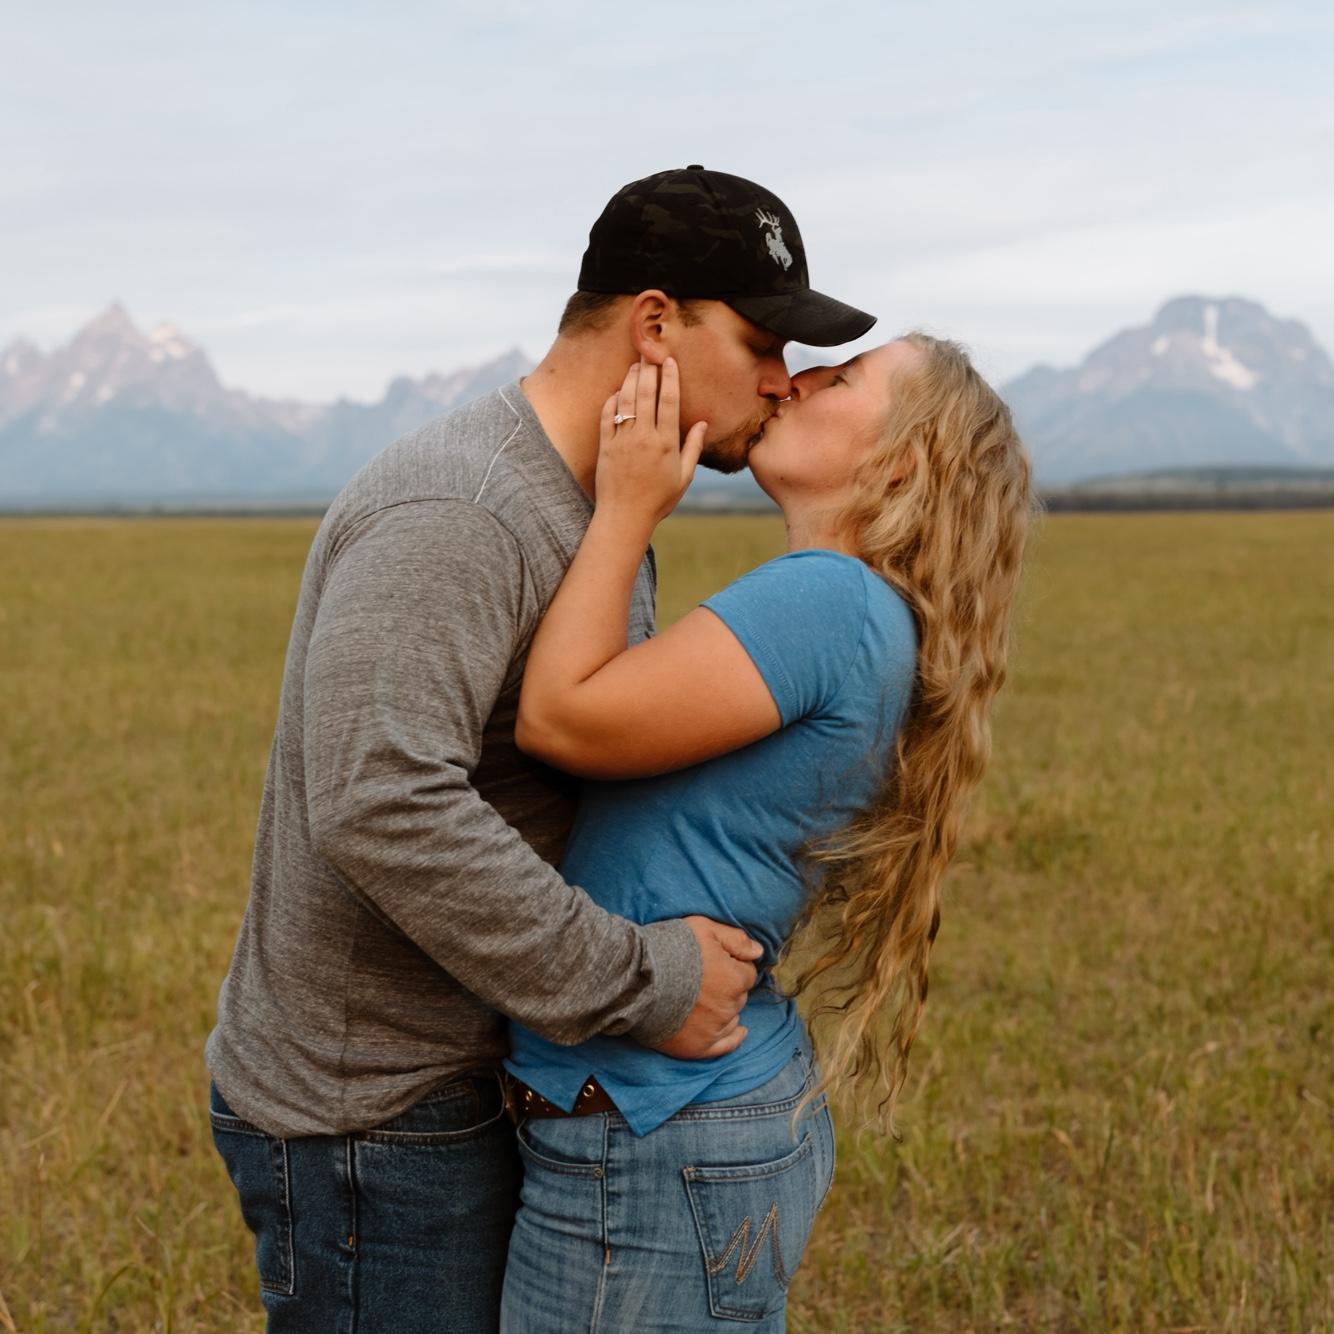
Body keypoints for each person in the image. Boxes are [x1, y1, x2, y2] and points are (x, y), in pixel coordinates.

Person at [205, 165, 876, 1331]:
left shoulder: (597, 497)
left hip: (457, 1077)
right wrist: (644, 979)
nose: (782, 377)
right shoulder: (462, 509)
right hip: (375, 1109)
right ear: (655, 324)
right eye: (760, 340)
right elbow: (377, 800)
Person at [500, 337, 1033, 1330]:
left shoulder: (827, 598)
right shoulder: (860, 608)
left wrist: (625, 506)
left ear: (900, 463)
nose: (796, 379)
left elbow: (560, 720)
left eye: (842, 378)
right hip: (686, 1113)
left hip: (660, 1126)